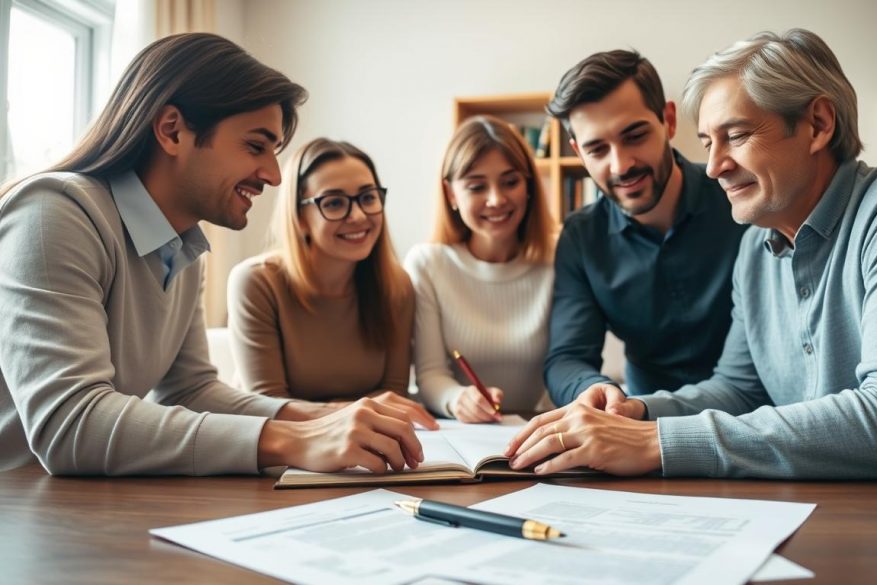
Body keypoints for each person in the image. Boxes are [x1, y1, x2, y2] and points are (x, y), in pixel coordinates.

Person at [507, 29, 877, 479]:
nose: (713, 167)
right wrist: (633, 413)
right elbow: (739, 391)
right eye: (708, 142)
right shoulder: (757, 245)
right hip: (833, 503)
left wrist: (654, 442)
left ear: (819, 124)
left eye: (735, 136)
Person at [0, 33, 424, 476]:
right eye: (256, 147)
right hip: (22, 514)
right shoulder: (54, 213)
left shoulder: (183, 245)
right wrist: (294, 439)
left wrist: (323, 417)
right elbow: (71, 425)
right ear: (172, 130)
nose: (274, 176)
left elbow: (191, 389)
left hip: (81, 508)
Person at [542, 49, 747, 407]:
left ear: (668, 121)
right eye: (597, 150)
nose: (621, 165)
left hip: (751, 418)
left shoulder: (740, 199)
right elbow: (567, 357)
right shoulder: (581, 236)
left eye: (634, 136)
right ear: (578, 153)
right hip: (642, 420)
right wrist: (592, 390)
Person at [227, 138, 436, 428]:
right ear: (299, 217)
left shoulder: (396, 285)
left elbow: (394, 393)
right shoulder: (256, 283)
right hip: (279, 453)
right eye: (334, 203)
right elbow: (267, 405)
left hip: (368, 445)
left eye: (368, 197)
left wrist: (358, 411)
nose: (359, 216)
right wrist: (361, 408)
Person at [404, 115, 557, 422]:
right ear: (451, 194)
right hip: (458, 433)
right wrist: (458, 398)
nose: (496, 199)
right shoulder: (427, 264)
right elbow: (430, 373)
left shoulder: (558, 260)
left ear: (528, 185)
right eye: (476, 186)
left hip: (531, 426)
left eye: (510, 182)